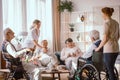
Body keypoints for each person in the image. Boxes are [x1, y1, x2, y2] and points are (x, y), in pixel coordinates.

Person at [95, 7, 119, 80]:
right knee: (111, 68)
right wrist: (114, 41)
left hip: (109, 50)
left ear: (105, 14)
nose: (101, 15)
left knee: (110, 70)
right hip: (116, 49)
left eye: (102, 13)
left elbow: (105, 39)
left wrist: (98, 48)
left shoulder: (106, 23)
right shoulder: (116, 22)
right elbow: (118, 36)